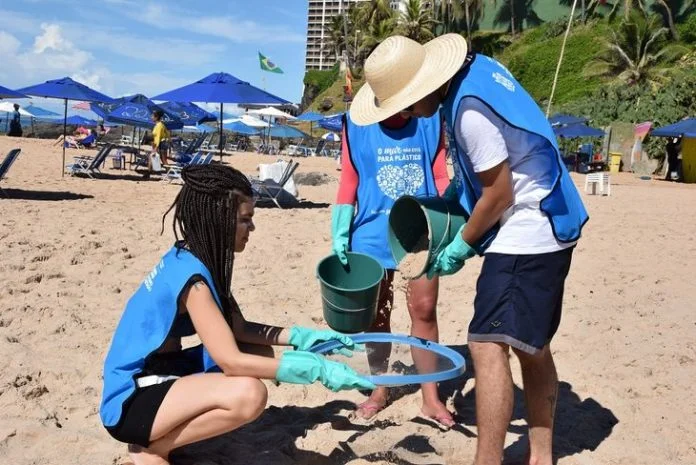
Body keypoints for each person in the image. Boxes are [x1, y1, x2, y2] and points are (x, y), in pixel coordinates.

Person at [350, 35, 588, 465]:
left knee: (485, 343)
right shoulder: (475, 72)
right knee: (532, 346)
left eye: (402, 103)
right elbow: (485, 174)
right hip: (555, 214)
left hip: (531, 224)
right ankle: (541, 456)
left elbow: (498, 194)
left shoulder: (468, 111)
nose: (403, 113)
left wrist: (460, 245)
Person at [100, 164, 374, 465]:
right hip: (128, 401)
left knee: (255, 351)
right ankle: (151, 448)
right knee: (250, 394)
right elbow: (230, 361)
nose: (252, 229)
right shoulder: (194, 281)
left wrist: (303, 338)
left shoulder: (195, 254)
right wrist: (315, 370)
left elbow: (239, 329)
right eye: (246, 220)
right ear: (219, 220)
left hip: (158, 371)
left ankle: (160, 439)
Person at [332, 112, 454, 426]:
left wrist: (449, 221)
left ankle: (430, 397)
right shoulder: (355, 125)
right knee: (376, 317)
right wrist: (341, 230)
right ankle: (379, 390)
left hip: (421, 229)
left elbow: (439, 173)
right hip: (371, 234)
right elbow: (349, 179)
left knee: (424, 310)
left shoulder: (429, 119)